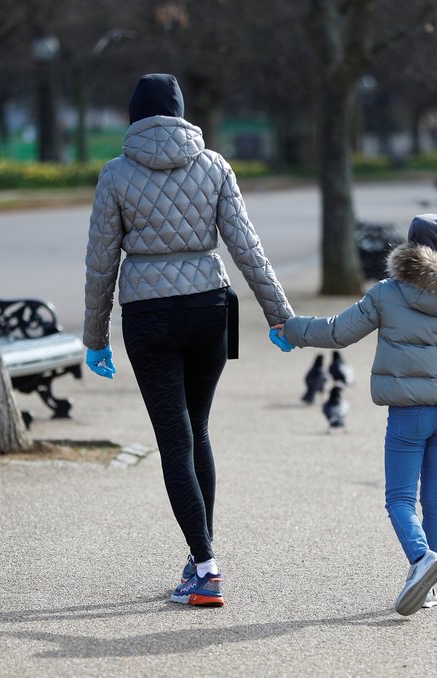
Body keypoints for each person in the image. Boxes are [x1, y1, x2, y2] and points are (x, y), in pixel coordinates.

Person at [82, 73, 295, 607]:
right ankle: (203, 555)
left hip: (148, 316)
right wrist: (279, 314)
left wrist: (95, 337)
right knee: (197, 430)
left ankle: (204, 568)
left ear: (135, 115)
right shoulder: (215, 165)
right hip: (210, 307)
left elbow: (101, 263)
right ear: (180, 113)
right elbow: (247, 246)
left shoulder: (115, 175)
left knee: (174, 439)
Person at [276, 214, 437, 615]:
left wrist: (292, 330)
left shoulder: (388, 293)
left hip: (408, 413)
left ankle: (422, 560)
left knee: (399, 498)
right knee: (436, 495)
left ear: (411, 248)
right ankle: (427, 586)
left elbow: (338, 331)